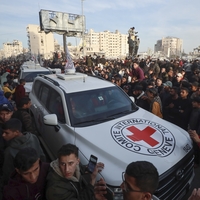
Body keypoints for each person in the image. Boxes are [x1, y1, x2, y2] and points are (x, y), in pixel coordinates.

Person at [2, 118, 45, 185]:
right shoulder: (33, 137)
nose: (3, 135)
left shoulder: (9, 151)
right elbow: (42, 156)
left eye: (6, 133)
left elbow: (8, 172)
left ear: (16, 132)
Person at [94, 161, 159, 200]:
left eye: (128, 188)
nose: (121, 186)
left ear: (146, 197)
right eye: (124, 181)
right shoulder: (121, 195)